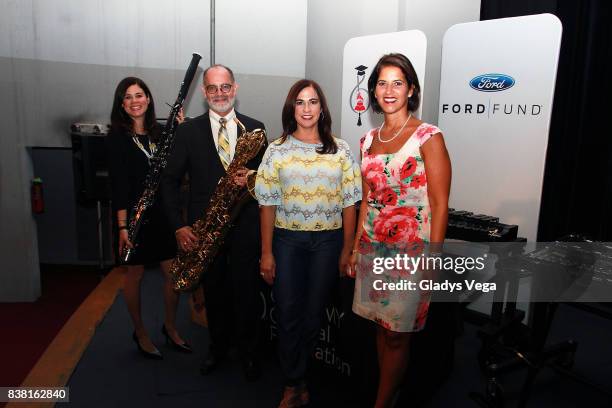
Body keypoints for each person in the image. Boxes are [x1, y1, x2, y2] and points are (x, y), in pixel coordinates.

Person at [347, 53, 451, 408]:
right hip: (374, 246)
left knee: (397, 335)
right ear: (373, 91)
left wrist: (434, 257)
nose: (389, 90)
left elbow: (440, 202)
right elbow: (366, 201)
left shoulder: (428, 136)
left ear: (411, 90)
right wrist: (356, 248)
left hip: (413, 252)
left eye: (397, 82)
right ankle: (388, 395)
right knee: (380, 326)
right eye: (382, 82)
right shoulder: (367, 141)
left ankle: (381, 403)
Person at [255, 79, 362, 407]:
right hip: (287, 242)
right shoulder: (277, 149)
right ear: (291, 108)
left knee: (314, 315)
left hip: (328, 243)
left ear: (321, 108)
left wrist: (347, 249)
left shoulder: (340, 149)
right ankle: (293, 381)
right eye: (300, 102)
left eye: (312, 102)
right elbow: (267, 203)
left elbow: (350, 202)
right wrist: (266, 253)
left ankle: (301, 375)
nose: (306, 109)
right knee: (287, 312)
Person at [160, 64, 266, 381]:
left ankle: (249, 353)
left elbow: (268, 181)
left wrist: (253, 178)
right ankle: (218, 349)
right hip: (205, 229)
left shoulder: (256, 128)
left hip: (246, 225)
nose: (219, 93)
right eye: (212, 88)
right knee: (215, 293)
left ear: (234, 88)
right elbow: (169, 181)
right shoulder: (188, 131)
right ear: (205, 93)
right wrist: (179, 226)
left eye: (225, 87)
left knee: (247, 293)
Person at [107, 77, 191, 360]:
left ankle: (169, 326)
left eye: (139, 95)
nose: (134, 101)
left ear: (149, 99)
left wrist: (183, 129)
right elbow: (117, 186)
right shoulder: (117, 137)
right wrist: (121, 226)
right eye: (128, 97)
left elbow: (177, 167)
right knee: (135, 273)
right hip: (134, 216)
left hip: (164, 214)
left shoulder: (161, 133)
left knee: (173, 274)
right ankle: (140, 331)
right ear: (122, 104)